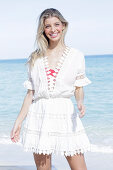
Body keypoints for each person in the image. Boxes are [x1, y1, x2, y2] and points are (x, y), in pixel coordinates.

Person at [11, 8, 91, 170]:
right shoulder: (35, 57)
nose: (53, 29)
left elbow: (78, 86)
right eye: (47, 26)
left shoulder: (76, 55)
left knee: (79, 167)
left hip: (65, 114)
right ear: (43, 30)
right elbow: (30, 94)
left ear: (63, 26)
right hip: (39, 114)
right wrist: (18, 122)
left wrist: (80, 102)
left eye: (56, 24)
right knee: (43, 168)